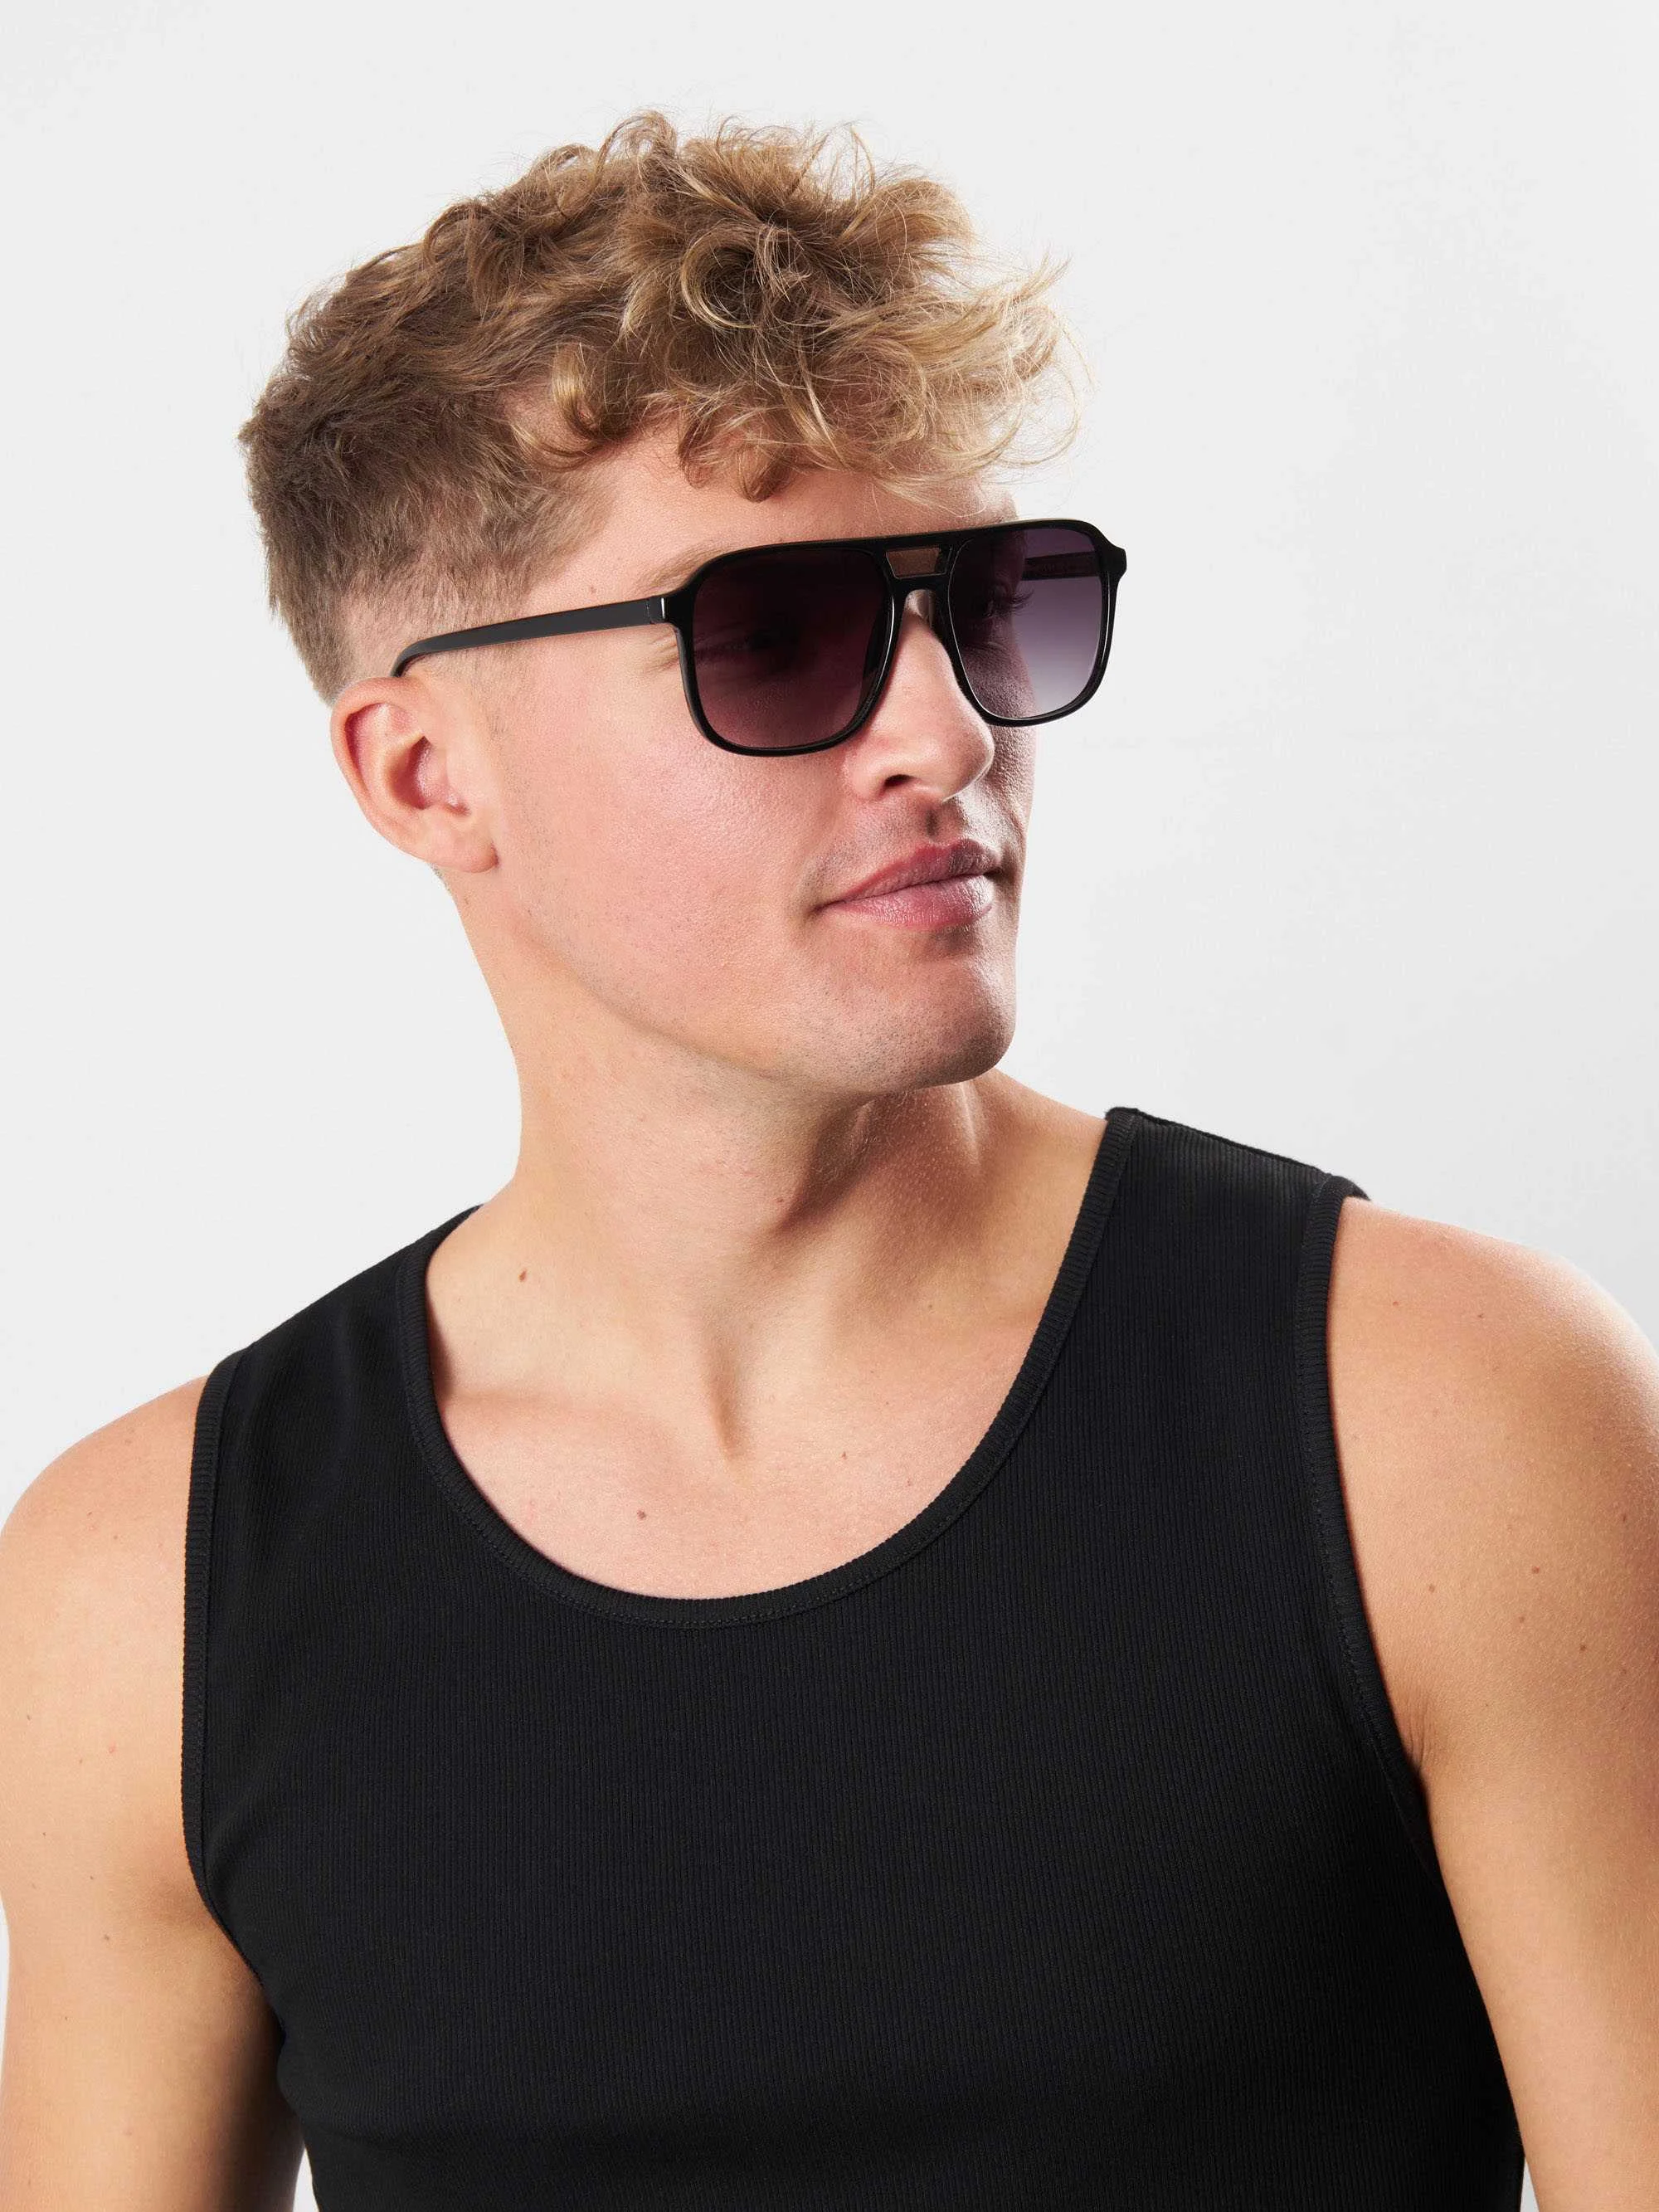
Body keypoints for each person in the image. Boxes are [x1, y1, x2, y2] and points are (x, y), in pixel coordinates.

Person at [0, 111, 1653, 2212]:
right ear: (425, 773)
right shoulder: (150, 1587)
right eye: (776, 638)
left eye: (986, 608)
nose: (950, 732)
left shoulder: (1436, 1413)